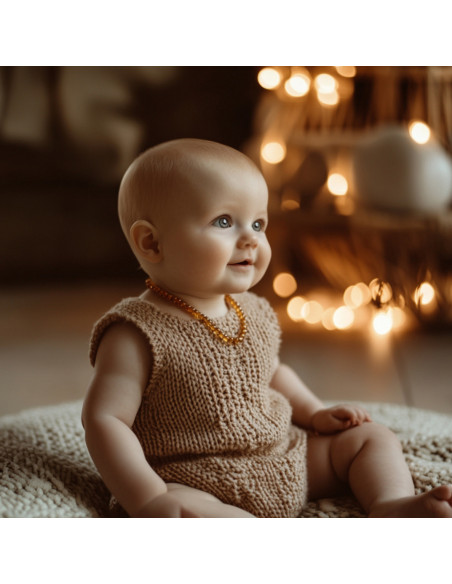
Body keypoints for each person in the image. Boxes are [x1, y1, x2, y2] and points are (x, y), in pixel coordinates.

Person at [82, 138, 452, 518]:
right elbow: (105, 420)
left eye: (258, 223)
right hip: (191, 476)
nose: (251, 239)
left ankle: (390, 505)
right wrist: (149, 497)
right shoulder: (135, 332)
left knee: (370, 439)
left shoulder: (253, 310)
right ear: (152, 242)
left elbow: (272, 372)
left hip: (281, 457)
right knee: (185, 511)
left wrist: (313, 414)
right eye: (224, 221)